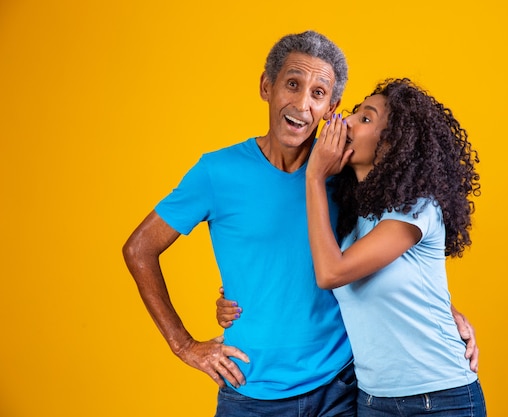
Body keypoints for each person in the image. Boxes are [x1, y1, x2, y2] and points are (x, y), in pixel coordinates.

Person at [123, 30, 477, 416]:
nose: (302, 104)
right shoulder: (216, 172)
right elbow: (139, 248)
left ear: (332, 106)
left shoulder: (344, 177)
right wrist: (184, 344)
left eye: (318, 93)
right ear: (266, 86)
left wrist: (447, 312)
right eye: (292, 84)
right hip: (249, 390)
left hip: (342, 388)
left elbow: (390, 257)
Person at [306, 78, 486, 416]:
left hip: (440, 399)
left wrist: (314, 177)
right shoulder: (349, 217)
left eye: (366, 119)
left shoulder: (417, 207)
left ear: (392, 145)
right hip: (373, 400)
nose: (346, 122)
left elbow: (332, 273)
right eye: (355, 113)